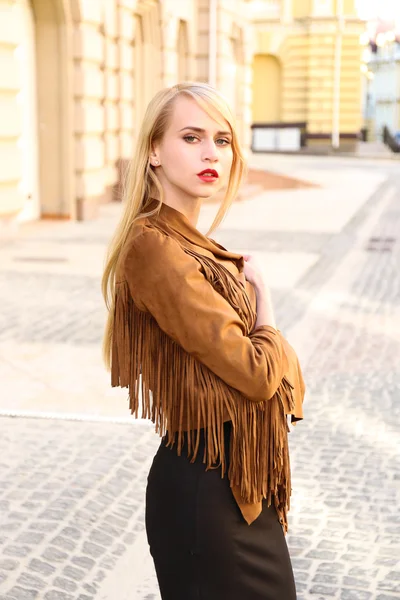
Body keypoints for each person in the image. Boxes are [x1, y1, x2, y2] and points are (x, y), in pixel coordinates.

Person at [102, 82, 305, 600]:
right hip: (207, 490)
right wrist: (266, 303)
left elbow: (280, 379)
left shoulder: (196, 247)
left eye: (222, 139)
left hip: (237, 488)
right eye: (191, 137)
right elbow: (260, 376)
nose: (211, 153)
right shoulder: (155, 248)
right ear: (153, 149)